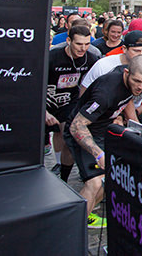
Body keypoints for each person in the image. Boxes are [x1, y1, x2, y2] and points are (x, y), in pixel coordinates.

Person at [64, 56, 142, 228]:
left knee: (109, 179)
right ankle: (73, 228)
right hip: (84, 131)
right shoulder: (105, 93)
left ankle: (83, 214)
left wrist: (121, 117)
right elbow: (77, 126)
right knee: (94, 182)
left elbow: (126, 98)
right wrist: (98, 154)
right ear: (127, 73)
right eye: (136, 81)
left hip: (103, 129)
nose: (140, 87)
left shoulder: (129, 79)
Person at [46, 25, 99, 182]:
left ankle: (63, 177)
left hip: (69, 102)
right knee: (44, 140)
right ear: (68, 41)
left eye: (87, 44)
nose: (83, 48)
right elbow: (35, 84)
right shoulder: (52, 56)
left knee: (68, 136)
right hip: (48, 101)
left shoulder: (91, 58)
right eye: (78, 44)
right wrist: (43, 111)